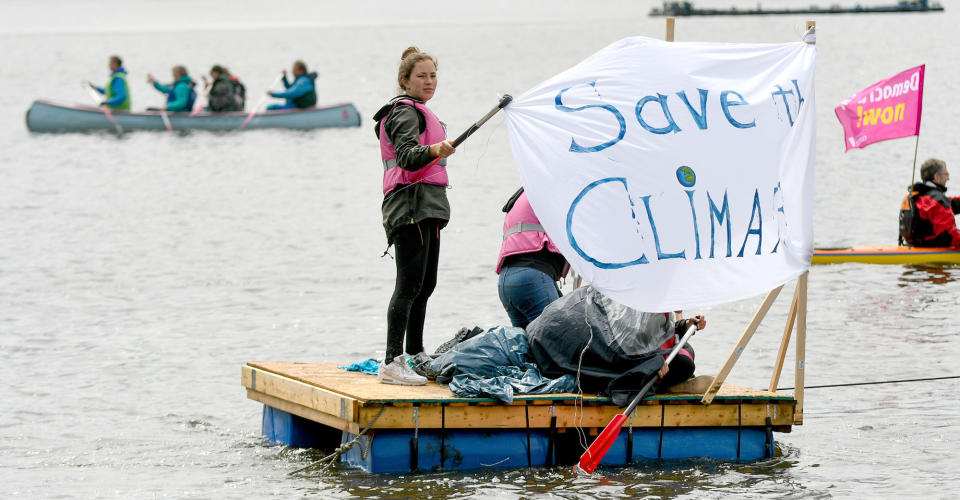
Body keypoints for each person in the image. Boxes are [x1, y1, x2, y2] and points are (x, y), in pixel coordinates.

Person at [371, 46, 456, 385]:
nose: (429, 81)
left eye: (433, 75)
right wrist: (435, 148)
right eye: (421, 76)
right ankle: (393, 362)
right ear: (404, 81)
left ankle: (417, 353)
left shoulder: (421, 111)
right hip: (409, 205)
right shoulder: (405, 112)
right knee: (408, 285)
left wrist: (436, 150)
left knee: (426, 283)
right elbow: (407, 156)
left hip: (429, 203)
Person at [496, 187, 568, 328]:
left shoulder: (527, 190)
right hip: (532, 278)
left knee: (527, 346)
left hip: (506, 282)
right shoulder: (554, 188)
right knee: (560, 341)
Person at [900, 158, 960, 248]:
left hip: (914, 245)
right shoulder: (937, 199)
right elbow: (949, 234)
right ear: (937, 177)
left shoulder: (916, 195)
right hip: (932, 247)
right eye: (946, 174)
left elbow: (947, 205)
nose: (948, 178)